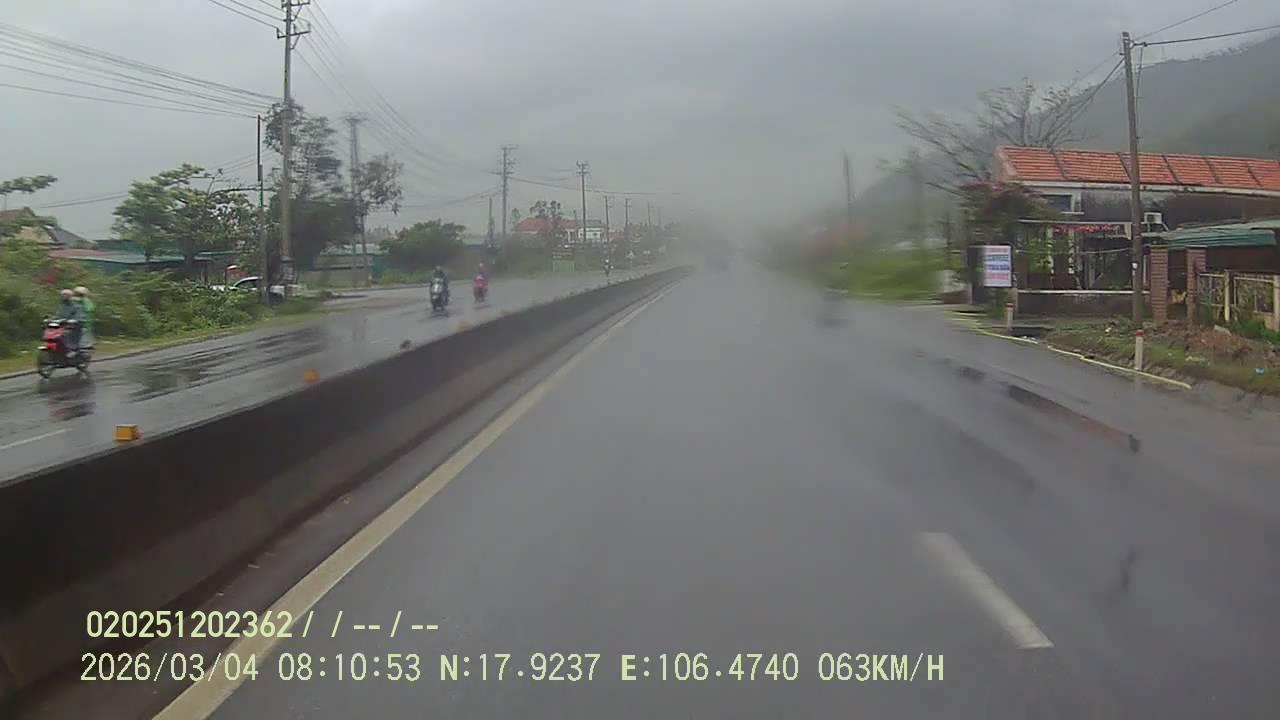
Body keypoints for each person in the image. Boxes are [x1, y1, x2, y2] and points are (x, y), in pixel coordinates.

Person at [53, 288, 83, 354]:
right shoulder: (62, 306)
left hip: (73, 326)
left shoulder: (76, 306)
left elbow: (78, 316)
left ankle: (71, 349)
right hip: (62, 325)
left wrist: (72, 320)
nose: (64, 296)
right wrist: (52, 319)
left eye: (66, 295)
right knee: (54, 334)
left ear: (70, 296)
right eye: (63, 295)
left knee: (66, 334)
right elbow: (57, 315)